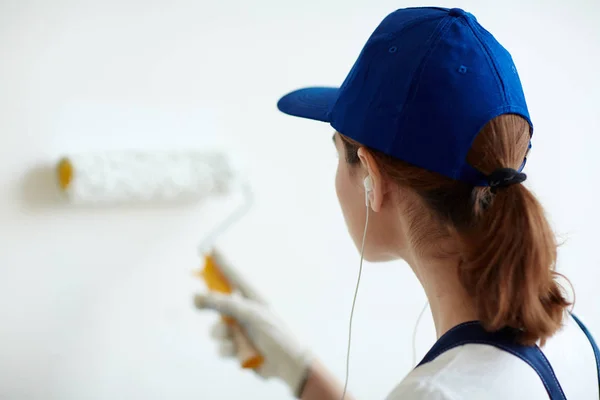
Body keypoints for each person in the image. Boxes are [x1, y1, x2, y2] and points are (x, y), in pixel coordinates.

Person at [194, 6, 600, 399]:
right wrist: (302, 373)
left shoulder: (437, 392)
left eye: (339, 153)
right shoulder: (568, 334)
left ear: (371, 174)